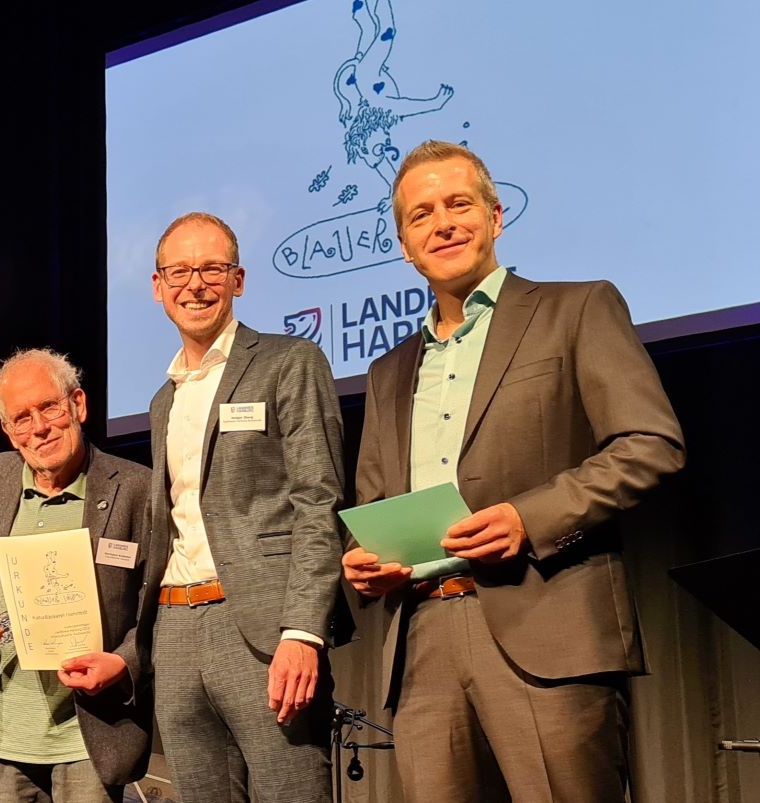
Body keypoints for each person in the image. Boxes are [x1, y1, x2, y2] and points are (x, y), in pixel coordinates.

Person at [342, 140, 685, 802]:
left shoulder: (576, 309)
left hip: (545, 624)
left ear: (496, 217)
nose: (442, 222)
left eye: (458, 204)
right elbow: (375, 503)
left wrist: (530, 518)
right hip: (423, 642)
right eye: (421, 215)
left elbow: (650, 441)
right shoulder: (387, 370)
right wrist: (362, 560)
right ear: (405, 245)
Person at [145, 212, 348, 802]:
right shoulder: (164, 399)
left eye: (212, 268)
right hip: (177, 627)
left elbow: (319, 499)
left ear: (238, 279)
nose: (196, 284)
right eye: (179, 271)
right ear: (158, 287)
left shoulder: (288, 361)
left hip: (261, 627)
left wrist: (304, 632)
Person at [0, 348, 157, 802]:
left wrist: (123, 663)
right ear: (8, 431)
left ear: (78, 404)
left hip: (89, 734)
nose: (39, 428)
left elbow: (159, 609)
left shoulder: (137, 488)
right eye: (22, 418)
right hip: (2, 735)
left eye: (49, 407)